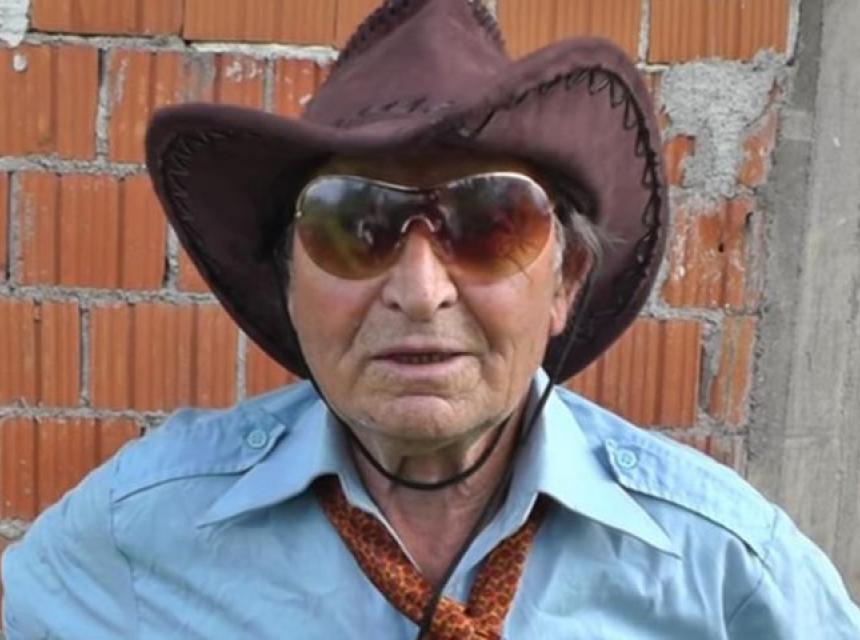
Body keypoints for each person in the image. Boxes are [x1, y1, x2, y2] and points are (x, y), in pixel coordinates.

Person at [3, 1, 859, 638]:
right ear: (290, 283)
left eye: (489, 223)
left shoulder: (722, 569)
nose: (420, 291)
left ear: (565, 281)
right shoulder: (133, 535)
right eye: (353, 224)